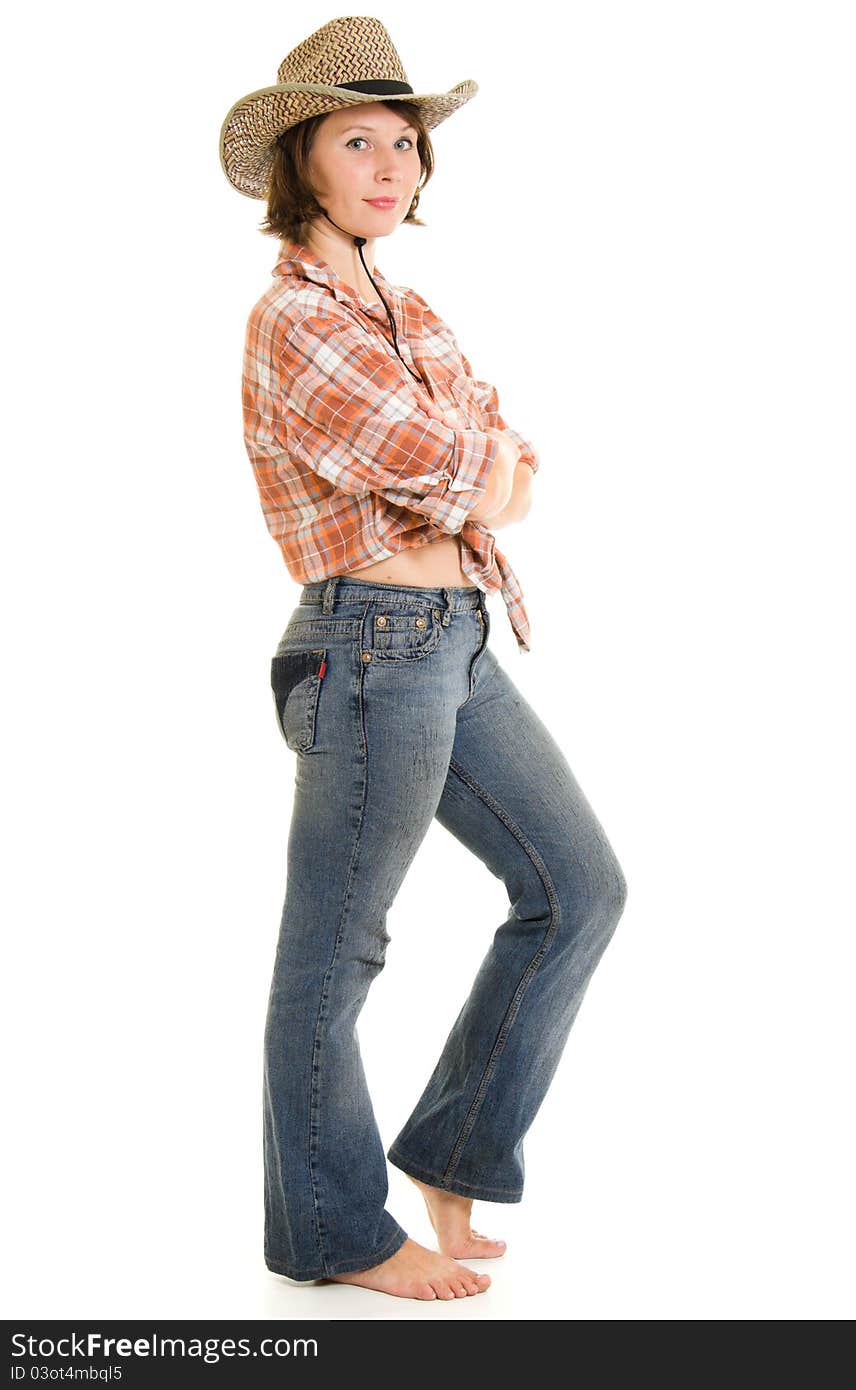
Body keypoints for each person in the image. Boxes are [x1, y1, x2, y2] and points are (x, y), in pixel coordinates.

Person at [219, 16, 628, 1303]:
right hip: (370, 648)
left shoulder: (409, 302)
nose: (391, 166)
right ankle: (331, 1232)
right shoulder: (294, 318)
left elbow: (500, 443)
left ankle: (455, 1146)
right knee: (335, 953)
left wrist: (485, 477)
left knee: (578, 887)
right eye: (359, 142)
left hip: (454, 643)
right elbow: (459, 464)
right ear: (304, 160)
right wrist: (484, 479)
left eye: (405, 144)